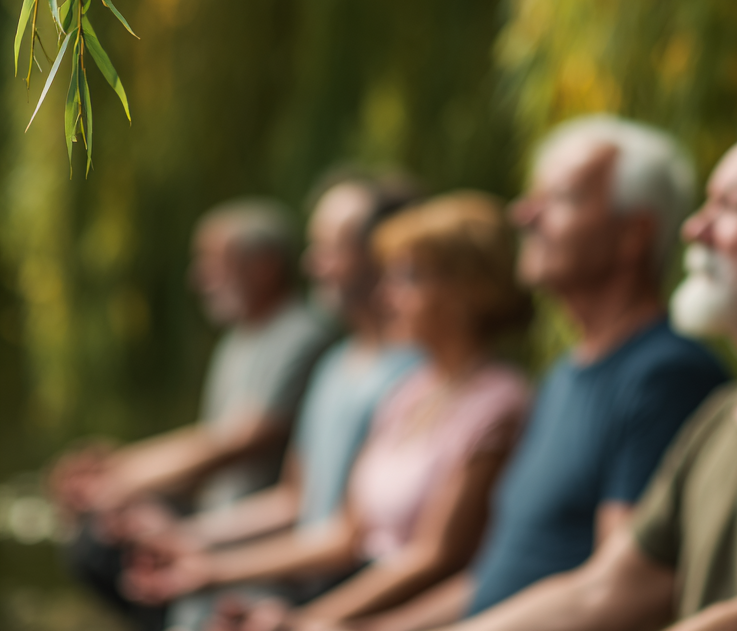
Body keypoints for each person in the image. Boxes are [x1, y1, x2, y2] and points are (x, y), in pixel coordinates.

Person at [447, 110, 737, 631]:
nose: (695, 229)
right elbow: (610, 588)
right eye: (707, 203)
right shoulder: (719, 417)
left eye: (734, 206)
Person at [346, 116, 726, 631]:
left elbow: (618, 595)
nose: (523, 214)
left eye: (561, 198)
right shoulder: (562, 377)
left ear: (633, 236)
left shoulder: (665, 376)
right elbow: (493, 580)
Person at [135, 192, 535, 631]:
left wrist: (307, 621)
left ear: (465, 290)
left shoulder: (500, 403)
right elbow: (346, 534)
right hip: (346, 595)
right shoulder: (410, 393)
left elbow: (435, 558)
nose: (387, 295)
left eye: (408, 277)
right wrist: (210, 570)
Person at [123, 175, 423, 629]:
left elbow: (353, 537)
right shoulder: (336, 365)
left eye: (328, 248)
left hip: (344, 590)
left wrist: (229, 576)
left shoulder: (413, 376)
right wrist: (183, 539)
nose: (311, 264)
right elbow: (292, 500)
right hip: (301, 578)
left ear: (384, 252)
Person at [55, 198, 336, 630]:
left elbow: (244, 440)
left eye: (212, 263)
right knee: (99, 538)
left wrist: (124, 477)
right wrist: (119, 470)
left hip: (258, 539)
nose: (198, 279)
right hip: (218, 523)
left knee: (113, 543)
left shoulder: (300, 335)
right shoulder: (238, 341)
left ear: (262, 266)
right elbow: (212, 436)